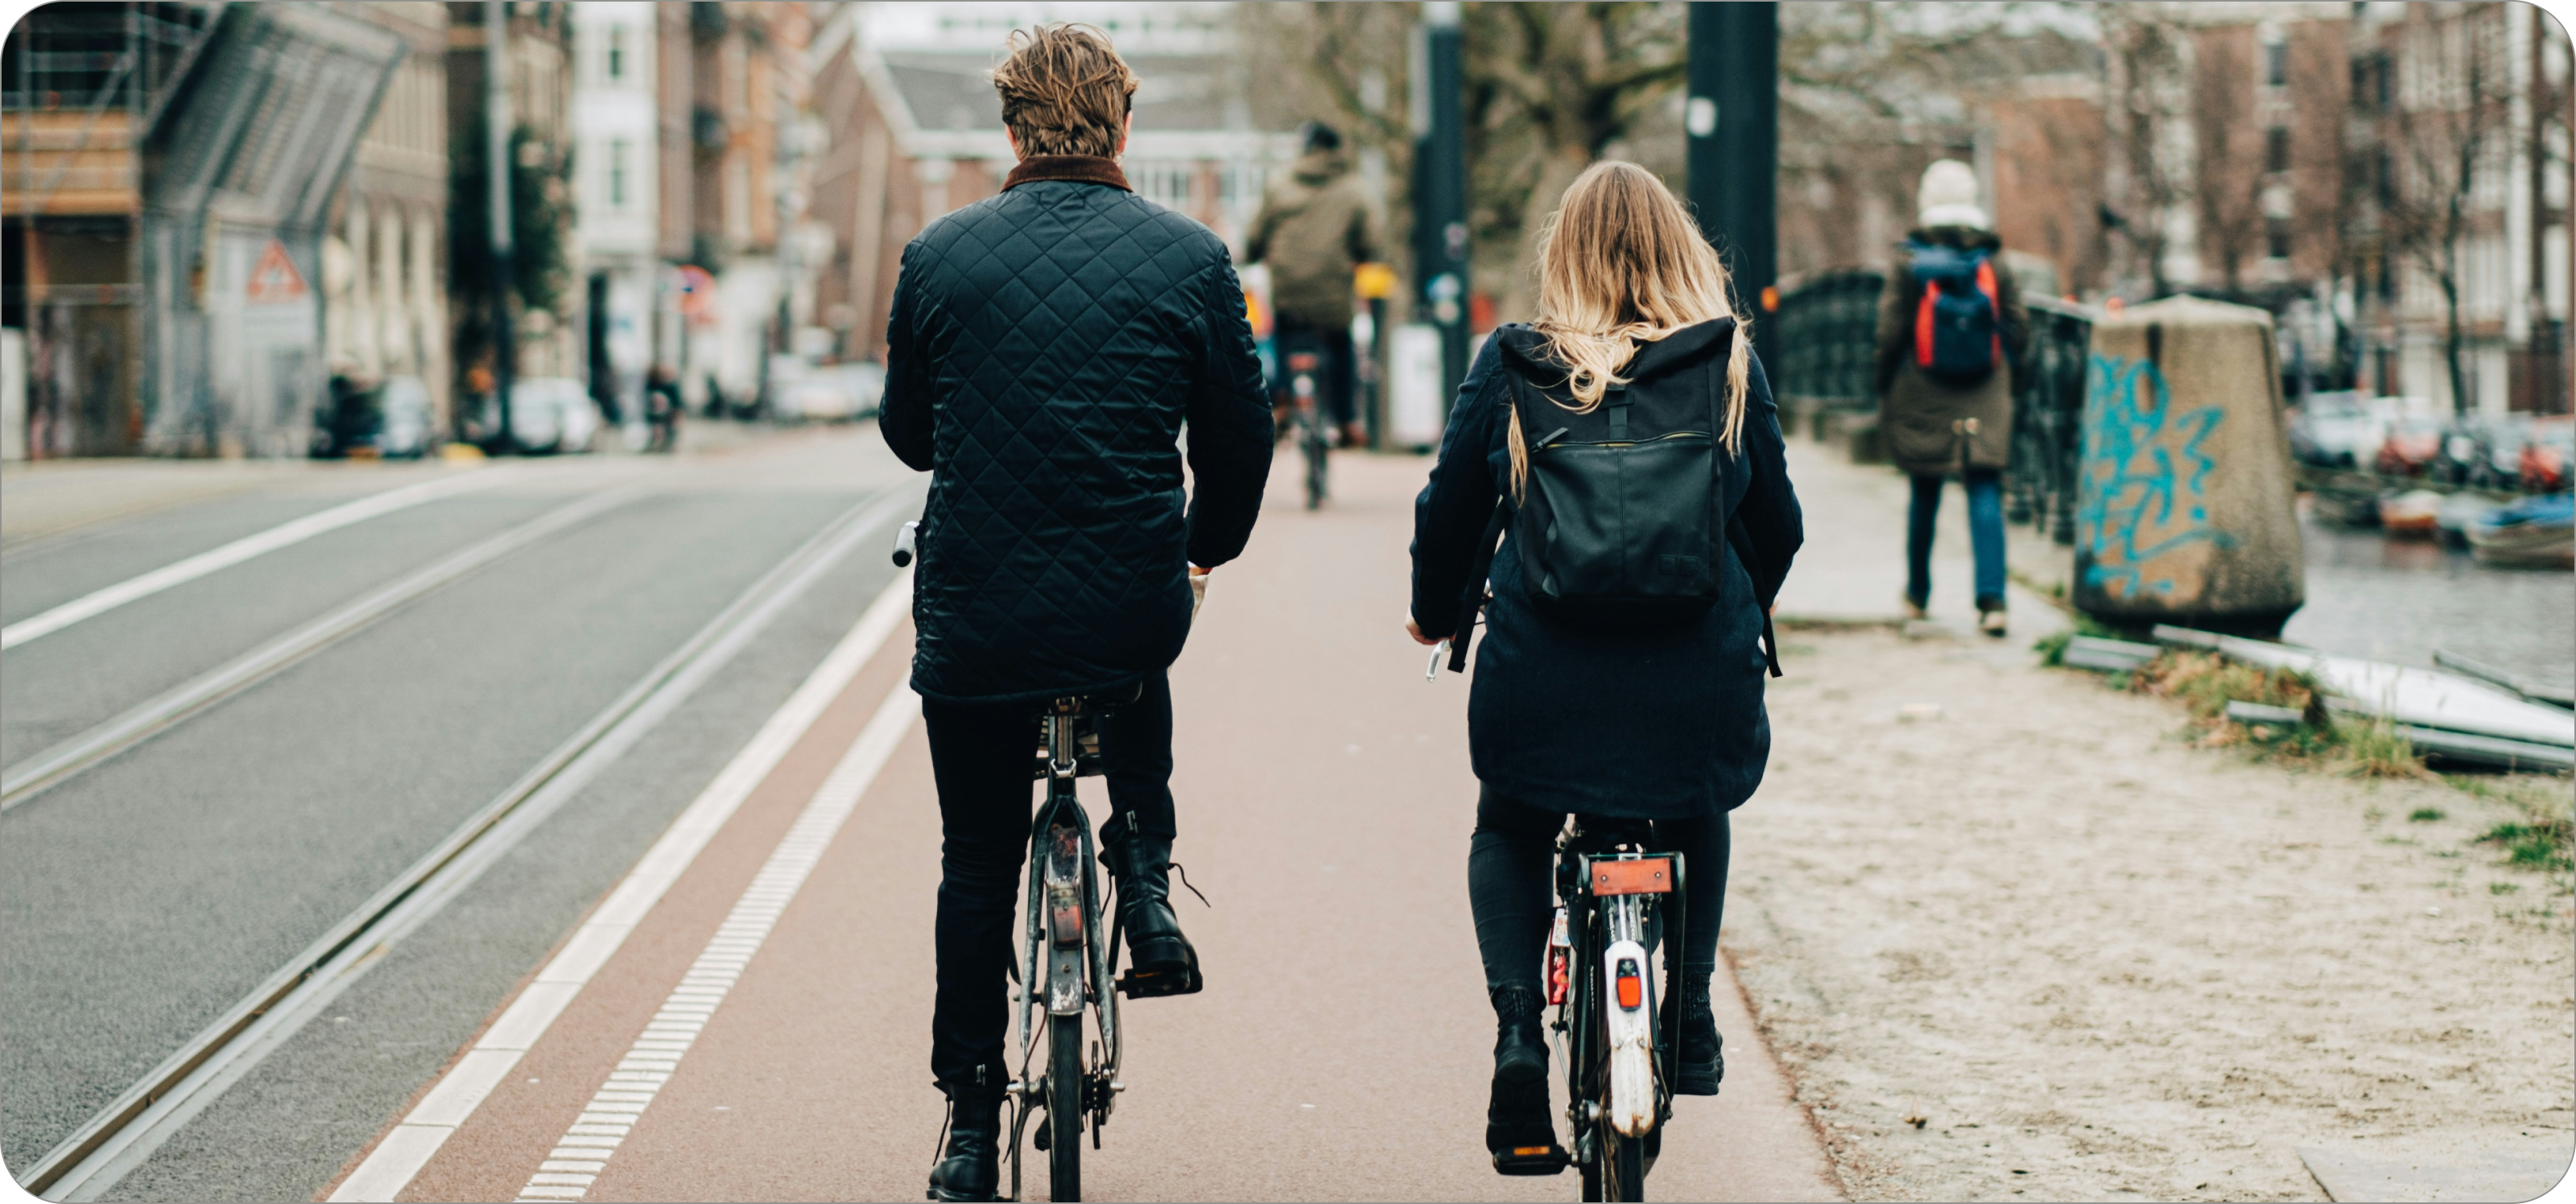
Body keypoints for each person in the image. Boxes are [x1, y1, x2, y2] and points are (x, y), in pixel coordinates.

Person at [877, 24, 1274, 1203]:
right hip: (1127, 597)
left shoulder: (940, 255)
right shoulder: (1191, 257)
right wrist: (1204, 551)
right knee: (1134, 653)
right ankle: (1146, 886)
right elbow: (1240, 441)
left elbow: (908, 434)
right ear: (1125, 124)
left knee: (974, 861)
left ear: (1009, 130)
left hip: (978, 610)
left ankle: (966, 1127)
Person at [1406, 162, 1802, 1170]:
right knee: (1696, 800)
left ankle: (1512, 1039)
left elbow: (1448, 512)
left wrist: (1430, 615)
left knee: (1508, 823)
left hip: (1545, 681)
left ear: (1563, 257)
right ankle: (1692, 1009)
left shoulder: (1514, 363)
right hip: (1691, 684)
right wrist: (1737, 607)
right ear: (1682, 253)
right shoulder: (1723, 366)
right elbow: (1779, 529)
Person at [1873, 159, 2029, 636]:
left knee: (1925, 488)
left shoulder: (1909, 261)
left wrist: (1883, 382)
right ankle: (1992, 602)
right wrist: (2017, 380)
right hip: (1985, 386)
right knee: (1985, 487)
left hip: (1924, 387)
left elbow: (1890, 330)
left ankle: (1917, 596)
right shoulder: (1993, 259)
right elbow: (2019, 328)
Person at [1245, 120, 1384, 449]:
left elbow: (1255, 235)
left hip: (1288, 290)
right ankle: (1348, 419)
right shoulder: (1354, 188)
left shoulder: (1279, 185)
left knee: (1280, 335)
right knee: (1341, 345)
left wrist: (1254, 253)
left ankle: (1279, 401)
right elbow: (1371, 239)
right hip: (1333, 294)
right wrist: (1360, 256)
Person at [643, 365, 682, 453]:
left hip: (668, 413)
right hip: (655, 414)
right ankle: (657, 444)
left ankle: (669, 445)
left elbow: (677, 406)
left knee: (673, 425)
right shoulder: (652, 385)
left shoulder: (672, 388)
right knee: (657, 426)